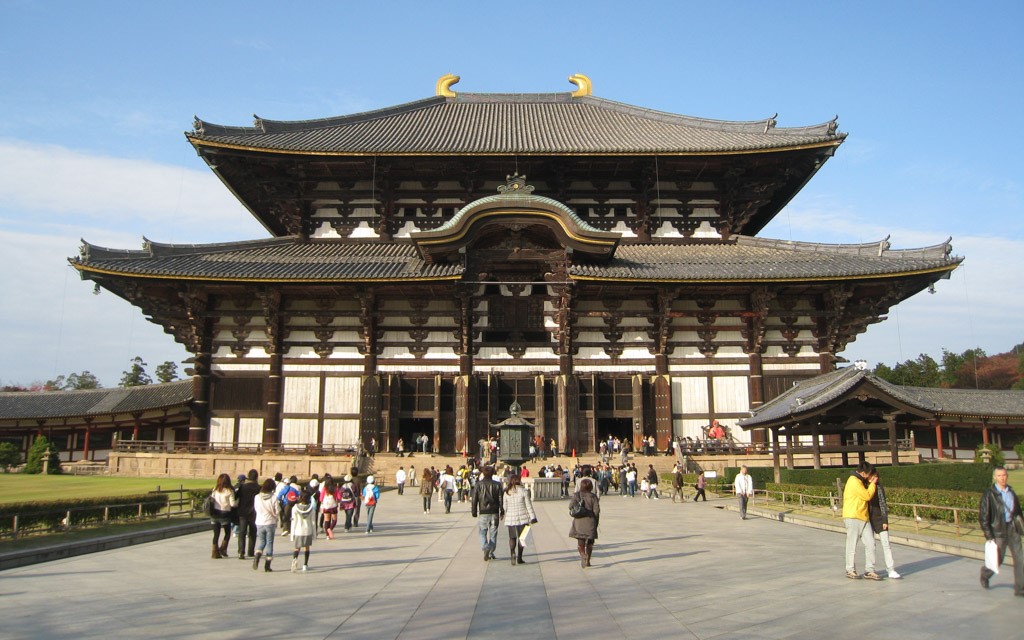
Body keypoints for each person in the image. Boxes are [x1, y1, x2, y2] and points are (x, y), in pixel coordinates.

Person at [979, 466, 1024, 595]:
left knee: (1020, 558)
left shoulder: (1011, 492)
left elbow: (1018, 512)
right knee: (998, 559)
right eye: (999, 475)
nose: (1002, 478)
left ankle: (1020, 588)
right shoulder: (989, 494)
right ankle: (985, 574)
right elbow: (983, 516)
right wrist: (988, 535)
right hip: (998, 531)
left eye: (1004, 475)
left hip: (1012, 529)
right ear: (995, 477)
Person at [843, 462, 880, 580]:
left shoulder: (860, 481)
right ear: (863, 473)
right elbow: (866, 496)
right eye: (869, 474)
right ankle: (850, 569)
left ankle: (870, 570)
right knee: (852, 545)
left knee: (871, 544)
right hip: (853, 516)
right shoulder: (853, 480)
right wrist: (873, 484)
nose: (870, 476)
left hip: (863, 517)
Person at [867, 469, 901, 579]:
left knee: (886, 544)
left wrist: (885, 520)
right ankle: (870, 569)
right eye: (872, 476)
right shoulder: (863, 487)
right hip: (867, 519)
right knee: (870, 545)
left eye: (876, 477)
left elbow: (883, 504)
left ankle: (890, 569)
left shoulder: (879, 488)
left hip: (879, 518)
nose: (874, 479)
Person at [502, 474, 538, 566]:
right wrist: (533, 517)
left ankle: (512, 553)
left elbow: (504, 507)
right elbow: (528, 505)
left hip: (511, 519)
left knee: (512, 537)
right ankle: (520, 557)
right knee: (523, 538)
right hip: (523, 518)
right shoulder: (524, 491)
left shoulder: (507, 492)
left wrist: (508, 513)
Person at [471, 465, 504, 561]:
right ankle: (490, 551)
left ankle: (485, 547)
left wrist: (474, 511)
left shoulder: (478, 484)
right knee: (493, 533)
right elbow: (500, 499)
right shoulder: (497, 485)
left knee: (482, 532)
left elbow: (474, 499)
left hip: (483, 511)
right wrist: (502, 510)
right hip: (494, 512)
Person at [569, 478, 600, 568]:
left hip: (579, 521)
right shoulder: (593, 497)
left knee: (580, 542)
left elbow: (570, 506)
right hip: (590, 521)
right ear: (591, 487)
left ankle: (582, 554)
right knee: (590, 543)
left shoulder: (577, 495)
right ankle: (588, 561)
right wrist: (596, 521)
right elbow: (596, 511)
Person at [253, 478, 280, 572]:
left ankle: (257, 555)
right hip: (270, 523)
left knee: (262, 541)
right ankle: (267, 565)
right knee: (269, 543)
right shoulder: (274, 497)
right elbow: (277, 511)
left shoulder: (257, 497)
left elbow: (256, 509)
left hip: (259, 522)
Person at [208, 473, 237, 559]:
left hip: (215, 513)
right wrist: (237, 502)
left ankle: (214, 552)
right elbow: (232, 504)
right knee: (227, 533)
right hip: (225, 514)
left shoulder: (215, 489)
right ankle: (223, 549)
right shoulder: (229, 491)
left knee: (216, 534)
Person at [235, 468, 260, 559]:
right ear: (257, 477)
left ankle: (241, 552)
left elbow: (235, 496)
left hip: (243, 512)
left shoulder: (243, 487)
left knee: (242, 532)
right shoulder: (259, 488)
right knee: (253, 532)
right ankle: (250, 551)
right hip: (254, 512)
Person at [290, 490, 317, 572]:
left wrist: (292, 534)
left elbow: (293, 522)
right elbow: (313, 522)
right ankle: (305, 565)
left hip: (298, 530)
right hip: (307, 530)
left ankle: (294, 561)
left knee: (297, 548)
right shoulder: (311, 509)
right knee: (307, 548)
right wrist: (314, 534)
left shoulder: (295, 508)